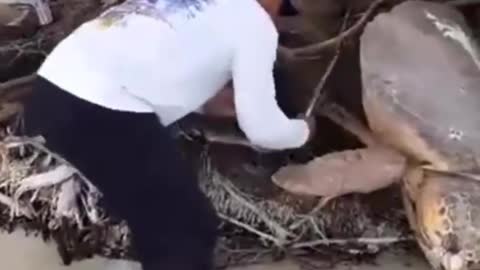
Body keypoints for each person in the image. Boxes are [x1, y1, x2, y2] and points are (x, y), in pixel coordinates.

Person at [19, 0, 315, 269]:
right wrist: (302, 130)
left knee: (156, 217)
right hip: (101, 109)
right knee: (186, 228)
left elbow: (158, 60)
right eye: (284, 9)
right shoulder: (255, 21)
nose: (279, 18)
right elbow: (262, 129)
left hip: (52, 91)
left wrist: (215, 104)